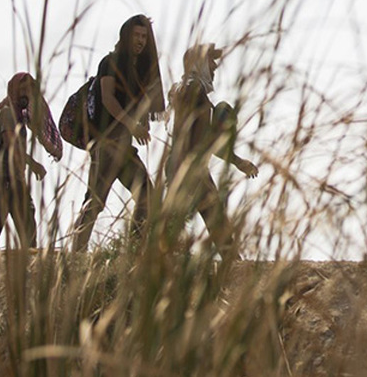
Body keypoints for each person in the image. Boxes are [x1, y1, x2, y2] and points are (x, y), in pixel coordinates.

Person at [71, 15, 165, 251]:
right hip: (106, 143)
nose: (140, 41)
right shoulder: (110, 62)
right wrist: (132, 124)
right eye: (136, 35)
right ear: (126, 35)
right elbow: (108, 98)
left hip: (124, 147)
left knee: (147, 196)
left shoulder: (137, 72)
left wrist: (142, 119)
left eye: (144, 36)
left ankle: (132, 249)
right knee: (95, 201)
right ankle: (75, 254)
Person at [163, 44, 259, 259]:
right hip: (191, 168)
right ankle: (234, 273)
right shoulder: (194, 90)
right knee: (216, 225)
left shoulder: (181, 89)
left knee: (174, 225)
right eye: (210, 60)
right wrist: (235, 161)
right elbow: (201, 141)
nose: (214, 65)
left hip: (177, 165)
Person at [0, 73, 63, 248]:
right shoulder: (7, 115)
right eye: (23, 89)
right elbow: (12, 145)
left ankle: (29, 268)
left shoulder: (20, 119)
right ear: (14, 91)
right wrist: (33, 165)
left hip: (14, 179)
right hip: (5, 178)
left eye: (30, 89)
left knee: (26, 227)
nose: (27, 93)